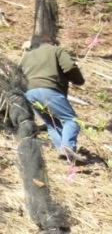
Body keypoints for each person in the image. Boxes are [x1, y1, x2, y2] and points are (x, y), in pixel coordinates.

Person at [20, 34, 86, 163]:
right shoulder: (57, 50)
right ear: (53, 43)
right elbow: (70, 67)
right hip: (49, 90)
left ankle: (66, 154)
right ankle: (68, 147)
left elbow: (18, 73)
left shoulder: (26, 55)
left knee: (52, 123)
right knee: (72, 121)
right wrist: (79, 80)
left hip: (30, 93)